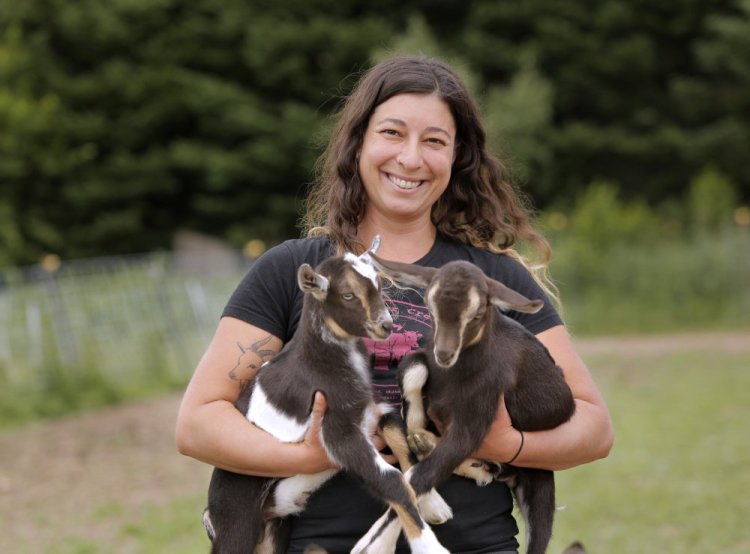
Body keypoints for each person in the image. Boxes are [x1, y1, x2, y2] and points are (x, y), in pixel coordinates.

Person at [175, 54, 614, 553]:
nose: (410, 158)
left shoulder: (492, 277)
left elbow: (594, 428)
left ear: (456, 157)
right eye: (392, 133)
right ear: (359, 141)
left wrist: (506, 445)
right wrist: (307, 456)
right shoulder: (294, 271)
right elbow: (197, 424)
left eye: (434, 141)